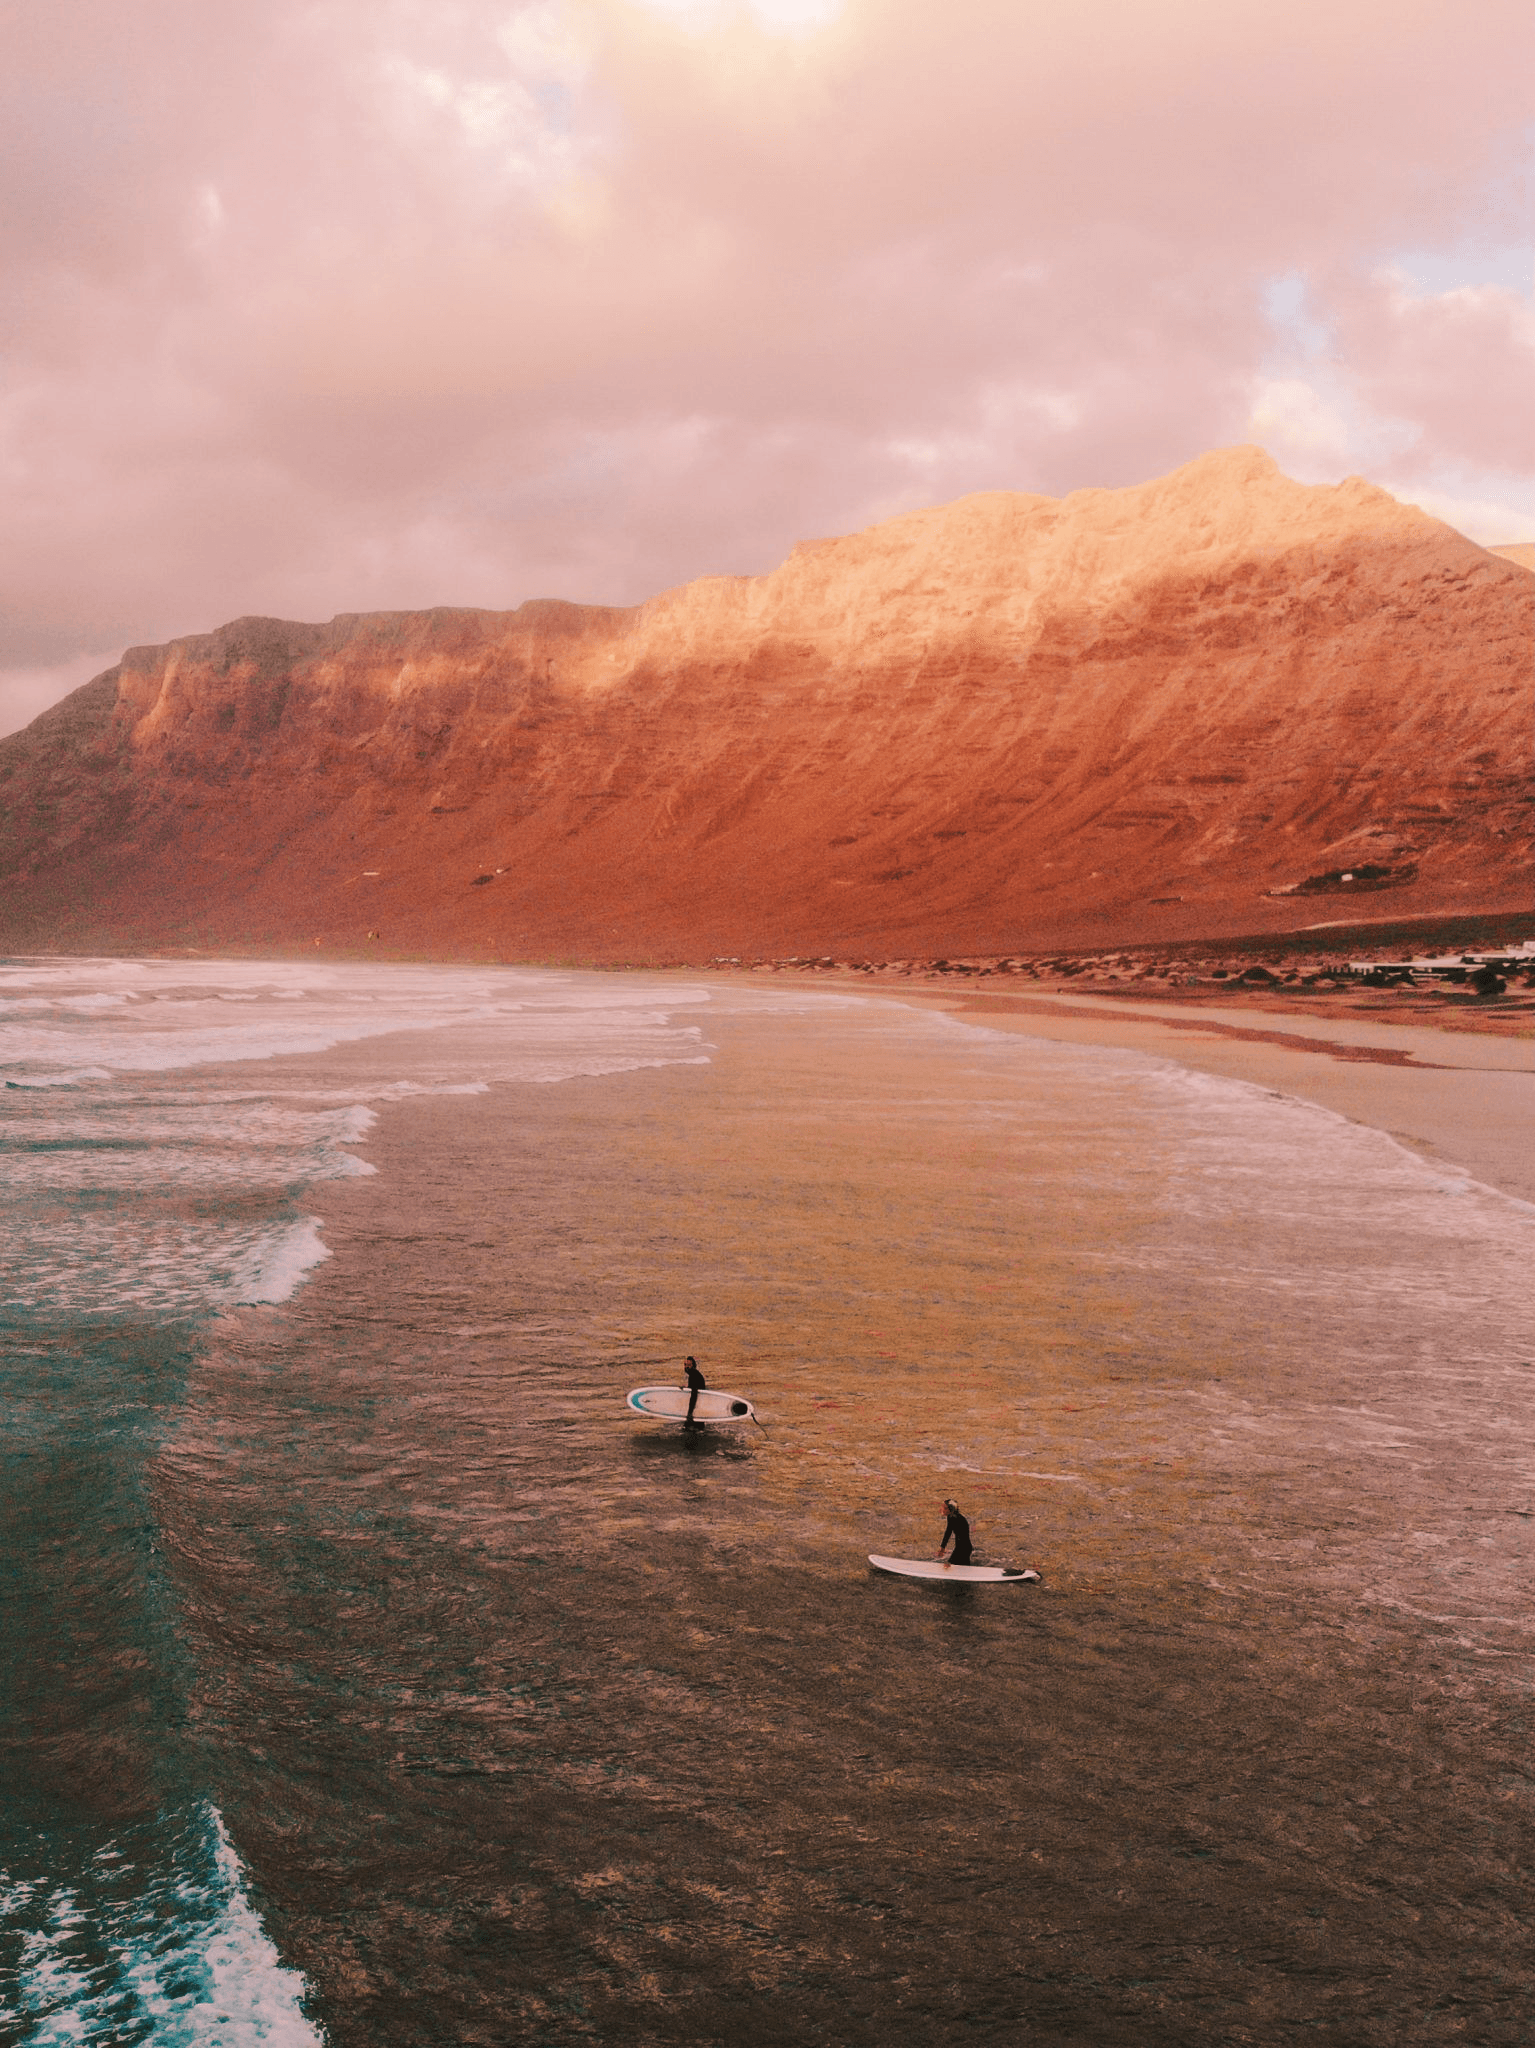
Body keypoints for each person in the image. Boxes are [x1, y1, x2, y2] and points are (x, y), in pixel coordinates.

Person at [938, 1498, 973, 1567]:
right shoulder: (951, 1517)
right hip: (962, 1547)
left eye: (945, 1508)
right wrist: (942, 1548)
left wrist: (943, 1549)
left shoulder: (956, 1518)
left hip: (963, 1548)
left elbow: (961, 1538)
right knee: (963, 1568)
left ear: (951, 1509)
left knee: (951, 1566)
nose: (942, 1510)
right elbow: (948, 1532)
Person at [682, 1355, 706, 1429]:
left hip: (697, 1409)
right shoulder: (694, 1374)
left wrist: (690, 1413)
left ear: (693, 1366)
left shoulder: (693, 1375)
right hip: (699, 1408)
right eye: (685, 1365)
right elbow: (694, 1389)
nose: (686, 1367)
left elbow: (694, 1394)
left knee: (688, 1429)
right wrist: (685, 1389)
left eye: (688, 1365)